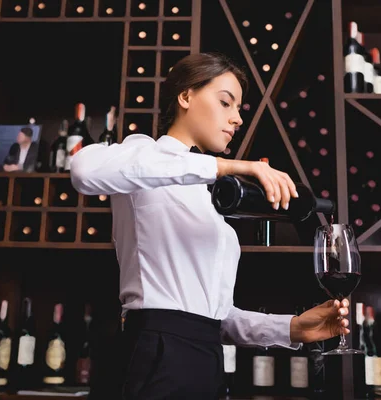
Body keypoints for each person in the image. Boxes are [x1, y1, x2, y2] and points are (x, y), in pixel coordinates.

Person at [70, 52, 350, 400]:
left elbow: (211, 317)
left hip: (206, 362)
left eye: (239, 111)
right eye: (225, 103)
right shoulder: (142, 154)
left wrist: (290, 329)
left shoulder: (208, 196)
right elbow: (83, 171)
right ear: (185, 96)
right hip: (155, 355)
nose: (236, 120)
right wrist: (226, 166)